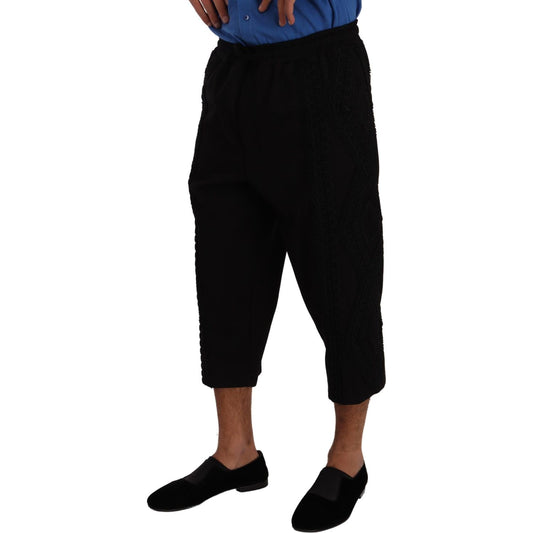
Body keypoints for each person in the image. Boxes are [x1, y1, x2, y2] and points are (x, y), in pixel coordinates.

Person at [147, 1, 386, 530]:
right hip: (232, 71)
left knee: (343, 270)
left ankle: (347, 458)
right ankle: (236, 452)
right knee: (226, 268)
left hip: (320, 70)